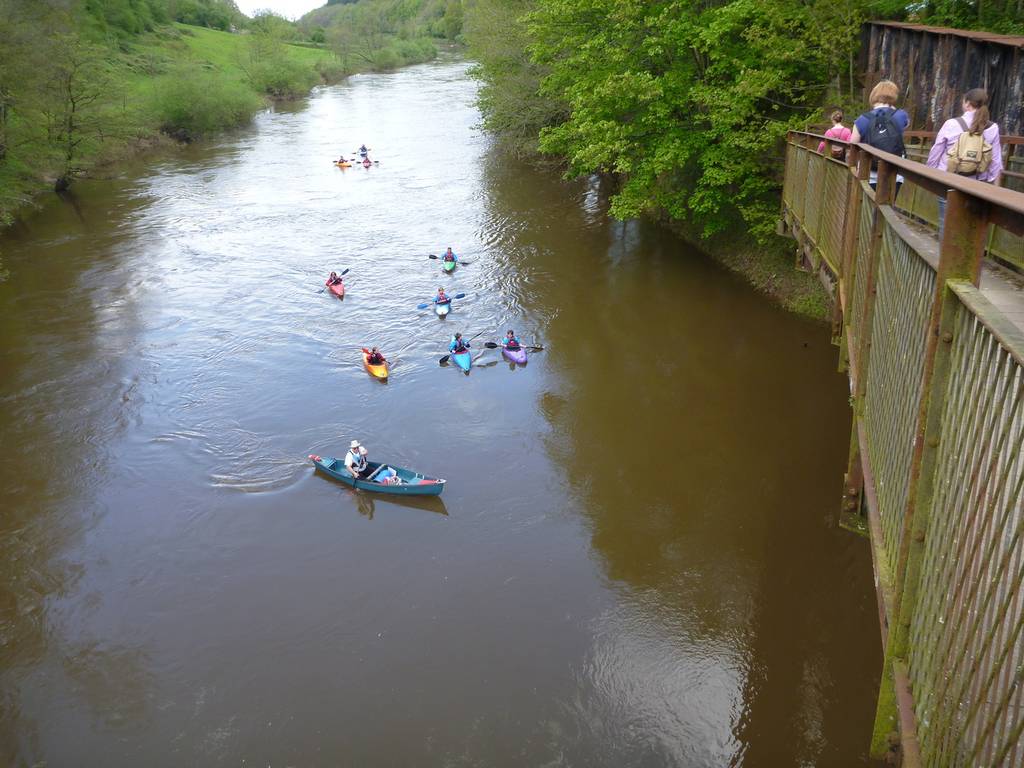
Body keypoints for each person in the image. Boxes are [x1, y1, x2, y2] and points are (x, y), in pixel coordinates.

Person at [926, 87, 1002, 241]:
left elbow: (936, 151)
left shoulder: (951, 123)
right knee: (969, 226)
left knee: (946, 223)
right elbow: (995, 161)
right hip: (977, 184)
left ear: (967, 104)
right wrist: (995, 188)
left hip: (948, 179)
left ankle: (945, 260)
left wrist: (930, 172)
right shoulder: (992, 127)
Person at [851, 80, 909, 195]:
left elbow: (853, 143)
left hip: (868, 172)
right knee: (887, 208)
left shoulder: (862, 119)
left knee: (868, 208)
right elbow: (905, 125)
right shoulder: (901, 115)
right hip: (894, 173)